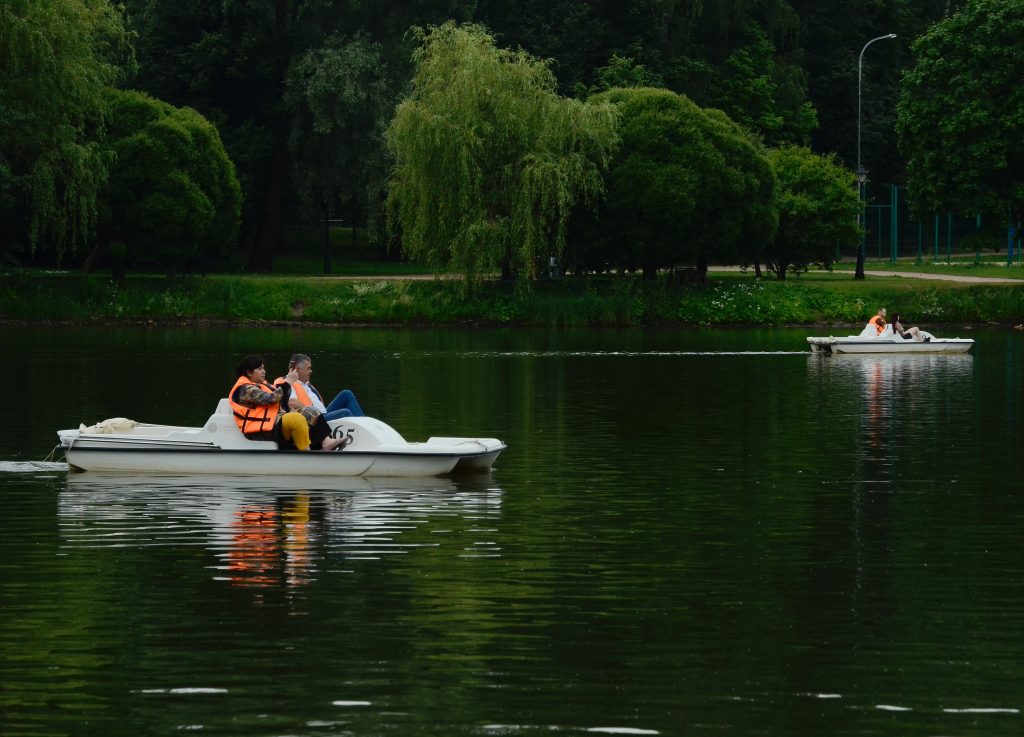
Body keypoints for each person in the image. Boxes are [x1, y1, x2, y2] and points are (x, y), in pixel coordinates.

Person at [229, 355, 345, 451]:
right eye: (259, 369)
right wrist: (288, 381)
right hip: (260, 431)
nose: (264, 371)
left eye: (263, 368)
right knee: (295, 418)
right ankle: (307, 454)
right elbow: (271, 399)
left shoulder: (263, 385)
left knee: (310, 411)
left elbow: (280, 401)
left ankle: (325, 442)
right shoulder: (245, 389)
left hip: (274, 425)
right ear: (249, 372)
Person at [274, 353, 364, 422]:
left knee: (346, 394)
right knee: (345, 412)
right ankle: (363, 433)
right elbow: (292, 405)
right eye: (308, 368)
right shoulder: (288, 384)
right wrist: (309, 412)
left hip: (325, 414)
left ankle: (365, 424)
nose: (311, 371)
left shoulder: (306, 384)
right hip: (316, 419)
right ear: (297, 370)